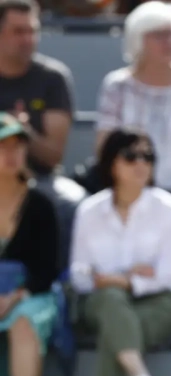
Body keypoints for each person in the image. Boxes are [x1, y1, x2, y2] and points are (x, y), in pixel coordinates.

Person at [95, 0, 171, 295]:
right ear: (138, 38)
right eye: (160, 34)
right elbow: (104, 143)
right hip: (127, 188)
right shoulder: (116, 85)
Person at [69, 128, 171, 376]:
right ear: (111, 162)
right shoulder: (89, 211)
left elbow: (167, 275)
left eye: (148, 156)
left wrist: (122, 281)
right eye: (130, 156)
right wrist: (123, 279)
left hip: (159, 303)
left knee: (117, 331)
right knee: (111, 301)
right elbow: (79, 274)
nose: (141, 163)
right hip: (101, 300)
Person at [0, 0, 86, 270]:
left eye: (32, 31)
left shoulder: (53, 78)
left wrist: (23, 132)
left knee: (73, 202)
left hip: (39, 180)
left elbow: (52, 155)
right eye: (18, 31)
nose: (28, 39)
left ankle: (59, 289)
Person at [0, 112, 60, 376]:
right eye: (2, 146)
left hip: (31, 296)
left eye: (17, 146)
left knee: (23, 324)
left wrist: (13, 298)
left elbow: (46, 269)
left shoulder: (40, 205)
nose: (11, 154)